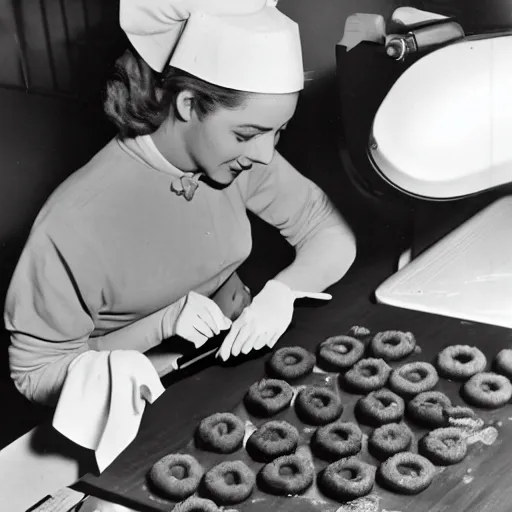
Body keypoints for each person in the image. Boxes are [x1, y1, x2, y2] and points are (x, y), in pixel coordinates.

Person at [4, 0, 356, 407]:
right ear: (187, 104)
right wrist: (161, 325)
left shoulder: (240, 156)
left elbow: (329, 231)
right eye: (247, 134)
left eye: (278, 132)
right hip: (134, 402)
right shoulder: (73, 223)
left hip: (235, 366)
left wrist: (285, 290)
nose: (264, 154)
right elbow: (35, 373)